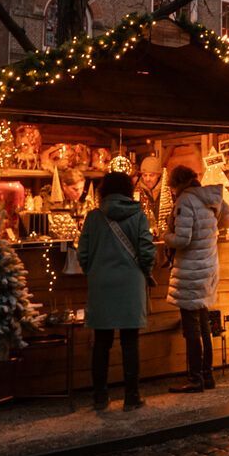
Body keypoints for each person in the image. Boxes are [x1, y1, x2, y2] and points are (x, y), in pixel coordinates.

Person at [78, 171, 156, 411]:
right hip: (130, 283)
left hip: (102, 284)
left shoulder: (93, 217)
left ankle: (100, 397)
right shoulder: (138, 215)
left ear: (103, 191)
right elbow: (146, 249)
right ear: (127, 191)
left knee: (101, 341)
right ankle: (132, 397)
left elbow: (82, 253)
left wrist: (95, 270)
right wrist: (145, 270)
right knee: (129, 341)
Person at [165, 164, 229, 393]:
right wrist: (210, 233)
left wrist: (167, 237)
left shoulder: (185, 200)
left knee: (191, 327)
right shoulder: (211, 198)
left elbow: (182, 240)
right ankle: (207, 374)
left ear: (177, 184)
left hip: (191, 270)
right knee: (204, 323)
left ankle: (195, 379)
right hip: (209, 266)